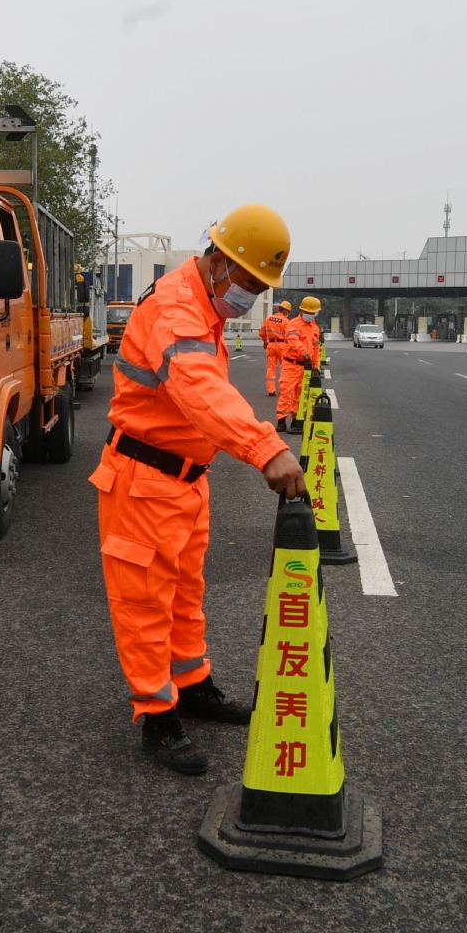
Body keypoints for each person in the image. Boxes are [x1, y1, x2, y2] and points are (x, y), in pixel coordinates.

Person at [94, 204, 307, 773]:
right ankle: (157, 717)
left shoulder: (204, 309)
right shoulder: (176, 308)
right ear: (219, 262)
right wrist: (266, 448)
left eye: (261, 289)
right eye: (248, 283)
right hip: (143, 481)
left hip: (183, 481)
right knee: (144, 603)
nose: (251, 298)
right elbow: (200, 392)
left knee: (184, 595)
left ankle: (191, 685)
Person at [275, 296, 322, 433]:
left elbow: (316, 348)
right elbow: (293, 340)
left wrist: (315, 366)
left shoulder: (315, 328)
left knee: (301, 394)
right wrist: (304, 352)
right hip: (291, 363)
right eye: (309, 312)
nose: (311, 315)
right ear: (302, 310)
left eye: (313, 313)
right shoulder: (293, 324)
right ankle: (281, 420)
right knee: (286, 391)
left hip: (306, 366)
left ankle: (297, 420)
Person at [259, 301, 293, 399]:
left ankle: (271, 390)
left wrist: (265, 342)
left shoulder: (268, 318)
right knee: (284, 368)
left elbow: (262, 333)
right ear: (286, 311)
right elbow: (289, 336)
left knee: (271, 368)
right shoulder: (286, 321)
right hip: (282, 346)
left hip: (271, 345)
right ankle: (282, 389)